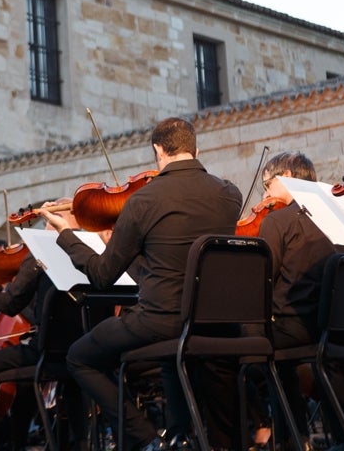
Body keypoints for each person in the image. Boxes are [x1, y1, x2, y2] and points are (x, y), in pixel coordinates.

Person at [42, 117, 241, 451]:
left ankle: (149, 440)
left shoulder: (143, 202)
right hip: (217, 322)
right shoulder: (229, 195)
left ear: (157, 150)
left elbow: (102, 275)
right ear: (196, 149)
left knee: (79, 357)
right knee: (170, 356)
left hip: (161, 321)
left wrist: (66, 235)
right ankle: (179, 435)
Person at [0, 200, 87, 451]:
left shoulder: (40, 253)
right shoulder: (90, 250)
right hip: (83, 352)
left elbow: (10, 303)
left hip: (47, 354)